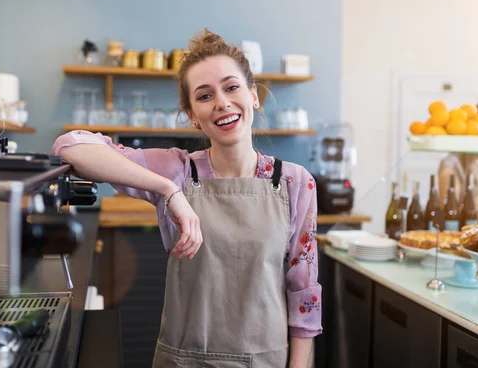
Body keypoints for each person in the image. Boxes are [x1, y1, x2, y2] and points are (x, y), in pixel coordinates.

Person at [52, 29, 321, 367]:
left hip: (267, 361)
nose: (222, 102)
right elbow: (70, 147)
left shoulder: (295, 182)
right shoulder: (178, 170)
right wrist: (169, 190)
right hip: (184, 360)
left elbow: (304, 294)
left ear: (254, 96)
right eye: (205, 96)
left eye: (232, 87)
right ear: (193, 115)